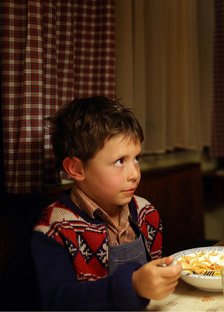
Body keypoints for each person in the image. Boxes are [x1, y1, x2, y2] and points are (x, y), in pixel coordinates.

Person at [31, 96, 182, 310]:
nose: (134, 174)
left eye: (136, 158)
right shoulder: (54, 230)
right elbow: (59, 302)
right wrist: (132, 286)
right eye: (120, 161)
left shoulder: (146, 212)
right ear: (76, 169)